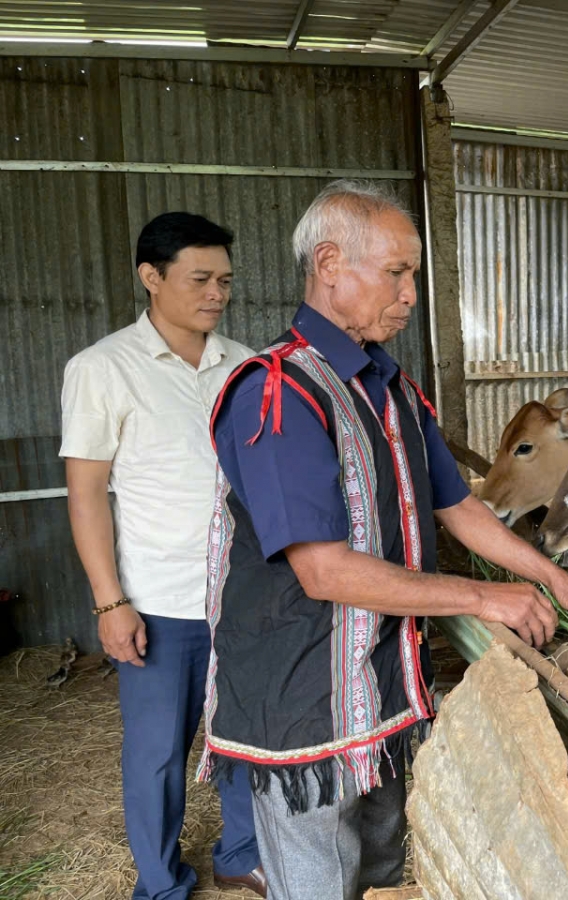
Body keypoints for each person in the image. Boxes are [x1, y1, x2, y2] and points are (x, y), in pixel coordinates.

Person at [199, 180, 568, 899]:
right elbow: (324, 571)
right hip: (303, 699)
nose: (411, 294)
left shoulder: (393, 391)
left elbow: (461, 506)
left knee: (381, 872)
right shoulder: (279, 392)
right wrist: (484, 597)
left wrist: (550, 576)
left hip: (384, 684)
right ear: (330, 265)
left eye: (412, 274)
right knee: (320, 882)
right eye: (396, 272)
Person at [61, 213, 265, 899]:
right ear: (151, 277)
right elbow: (86, 495)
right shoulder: (102, 369)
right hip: (158, 601)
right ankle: (160, 883)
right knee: (156, 754)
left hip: (242, 595)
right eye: (200, 279)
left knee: (243, 733)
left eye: (225, 281)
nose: (216, 294)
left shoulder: (246, 366)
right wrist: (110, 602)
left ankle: (241, 853)